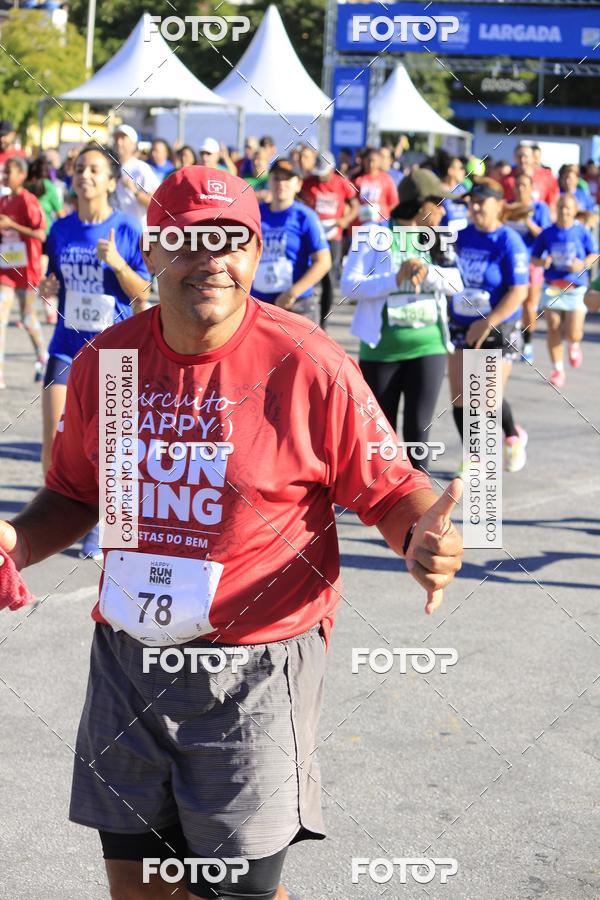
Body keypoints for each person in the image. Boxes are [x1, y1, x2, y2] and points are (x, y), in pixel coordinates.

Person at [0, 164, 463, 900]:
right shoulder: (110, 362)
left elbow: (394, 489)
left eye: (231, 239)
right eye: (188, 240)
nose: (211, 258)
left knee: (238, 894)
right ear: (151, 250)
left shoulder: (306, 361)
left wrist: (422, 542)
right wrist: (16, 542)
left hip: (252, 670)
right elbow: (72, 493)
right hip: (126, 662)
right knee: (143, 889)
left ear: (254, 251)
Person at [39, 145, 151, 558]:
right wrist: (47, 289)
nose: (84, 176)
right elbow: (52, 283)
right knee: (54, 440)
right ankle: (60, 519)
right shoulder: (61, 228)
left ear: (109, 181)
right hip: (66, 345)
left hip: (113, 350)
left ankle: (109, 523)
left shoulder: (125, 228)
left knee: (112, 443)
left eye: (94, 170)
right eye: (79, 169)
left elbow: (144, 293)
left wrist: (119, 264)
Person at [342, 169, 458, 472]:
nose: (444, 211)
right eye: (439, 203)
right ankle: (384, 497)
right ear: (421, 205)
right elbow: (348, 285)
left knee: (419, 430)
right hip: (382, 349)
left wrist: (427, 271)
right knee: (382, 430)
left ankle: (419, 501)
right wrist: (394, 279)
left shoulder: (437, 237)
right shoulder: (371, 234)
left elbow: (457, 283)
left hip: (428, 345)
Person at [450, 178, 530, 473]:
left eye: (481, 201)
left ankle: (512, 436)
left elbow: (518, 291)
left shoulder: (509, 241)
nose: (474, 207)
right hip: (461, 324)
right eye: (471, 201)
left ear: (498, 204)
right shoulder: (460, 236)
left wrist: (487, 324)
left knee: (487, 397)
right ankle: (474, 456)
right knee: (461, 397)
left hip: (501, 326)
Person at [252, 159, 332, 324]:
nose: (281, 183)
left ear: (298, 184)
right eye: (276, 178)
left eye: (287, 179)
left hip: (297, 305)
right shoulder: (255, 213)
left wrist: (292, 293)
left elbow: (324, 261)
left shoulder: (305, 217)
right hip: (259, 304)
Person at [531, 193, 597, 387]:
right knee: (552, 325)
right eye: (560, 207)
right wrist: (544, 262)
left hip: (575, 288)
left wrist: (583, 263)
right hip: (553, 287)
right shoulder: (547, 233)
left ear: (575, 210)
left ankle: (574, 344)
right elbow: (534, 258)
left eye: (568, 207)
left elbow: (594, 254)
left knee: (573, 332)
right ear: (555, 209)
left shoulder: (582, 232)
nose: (564, 211)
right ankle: (557, 369)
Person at [0, 157, 47, 390]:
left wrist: (12, 224)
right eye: (4, 171)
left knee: (28, 318)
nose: (5, 175)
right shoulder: (4, 200)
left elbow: (41, 235)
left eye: (9, 171)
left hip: (27, 270)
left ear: (22, 174)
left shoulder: (29, 201)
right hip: (6, 268)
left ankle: (43, 355)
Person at [299, 155, 359, 325]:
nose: (320, 177)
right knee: (308, 275)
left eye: (323, 173)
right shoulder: (308, 182)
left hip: (333, 235)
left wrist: (345, 220)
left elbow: (355, 206)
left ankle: (323, 323)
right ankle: (306, 318)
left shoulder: (342, 183)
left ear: (332, 168)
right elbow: (297, 199)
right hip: (312, 235)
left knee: (329, 280)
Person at [503, 172, 552, 362]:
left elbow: (545, 235)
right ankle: (508, 339)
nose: (521, 189)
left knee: (529, 304)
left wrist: (527, 221)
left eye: (525, 185)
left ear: (531, 188)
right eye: (518, 185)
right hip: (509, 261)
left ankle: (528, 342)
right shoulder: (508, 207)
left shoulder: (539, 208)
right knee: (509, 300)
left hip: (531, 261)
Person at [113, 125, 160, 225]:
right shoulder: (109, 167)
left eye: (123, 138)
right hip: (114, 230)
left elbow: (155, 204)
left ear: (133, 144)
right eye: (116, 138)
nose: (118, 142)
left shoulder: (141, 168)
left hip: (137, 232)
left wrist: (134, 190)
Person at [501, 142, 559, 211]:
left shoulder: (547, 177)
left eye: (525, 156)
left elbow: (552, 203)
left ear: (533, 158)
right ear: (514, 158)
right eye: (519, 156)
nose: (522, 160)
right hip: (514, 218)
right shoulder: (506, 180)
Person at [352, 148, 399, 225]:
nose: (371, 164)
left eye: (374, 161)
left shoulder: (387, 179)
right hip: (360, 224)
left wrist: (386, 218)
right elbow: (351, 201)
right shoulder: (357, 179)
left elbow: (393, 203)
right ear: (364, 161)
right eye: (368, 161)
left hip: (381, 224)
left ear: (379, 162)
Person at [0, 120, 27, 188]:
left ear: (13, 135)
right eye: (0, 135)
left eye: (5, 135)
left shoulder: (21, 155)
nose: (1, 139)